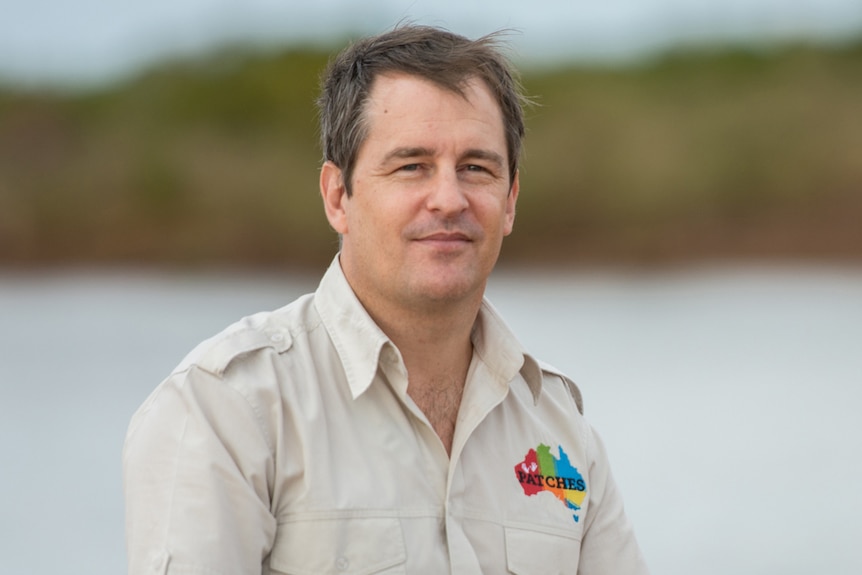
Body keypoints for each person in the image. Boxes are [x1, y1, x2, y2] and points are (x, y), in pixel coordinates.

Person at [122, 24, 649, 575]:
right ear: (337, 197)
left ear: (510, 200)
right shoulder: (228, 410)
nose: (448, 198)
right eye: (411, 166)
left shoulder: (559, 428)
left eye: (475, 167)